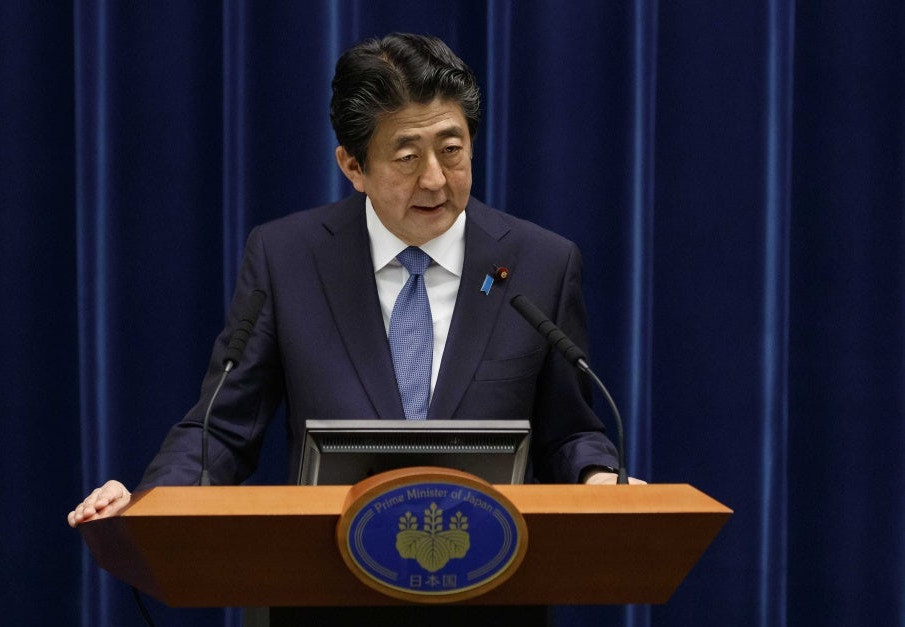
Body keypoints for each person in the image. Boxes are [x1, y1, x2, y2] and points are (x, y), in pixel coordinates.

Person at [68, 32, 642, 529]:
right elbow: (222, 429)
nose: (436, 181)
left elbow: (568, 432)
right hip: (325, 587)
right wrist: (152, 502)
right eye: (407, 158)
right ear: (353, 166)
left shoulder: (540, 263)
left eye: (452, 150)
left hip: (490, 581)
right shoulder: (287, 258)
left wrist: (598, 477)